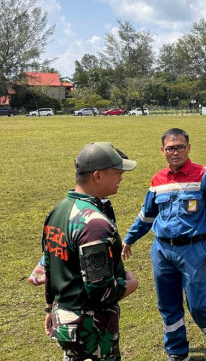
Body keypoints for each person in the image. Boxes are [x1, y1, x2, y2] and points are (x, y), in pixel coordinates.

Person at [122, 128, 206, 361]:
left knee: (199, 304)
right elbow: (146, 216)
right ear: (163, 151)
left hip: (193, 249)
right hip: (161, 250)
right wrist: (129, 239)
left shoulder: (204, 175)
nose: (176, 152)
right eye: (170, 148)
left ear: (189, 148)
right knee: (168, 305)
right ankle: (177, 352)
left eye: (180, 146)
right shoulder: (157, 180)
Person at [42, 142, 139, 361]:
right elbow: (100, 291)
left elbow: (50, 266)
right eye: (116, 173)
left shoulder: (59, 211)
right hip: (90, 328)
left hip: (66, 319)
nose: (121, 177)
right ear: (97, 176)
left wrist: (50, 309)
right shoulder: (93, 223)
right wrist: (129, 284)